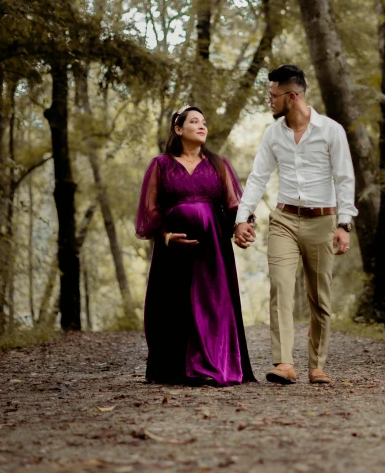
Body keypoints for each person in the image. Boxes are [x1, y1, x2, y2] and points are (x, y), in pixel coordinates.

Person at [234, 65, 358, 385]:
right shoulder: (272, 134)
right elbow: (258, 178)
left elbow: (345, 178)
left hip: (323, 221)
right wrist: (241, 219)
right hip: (284, 220)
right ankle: (284, 363)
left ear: (292, 97)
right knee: (281, 288)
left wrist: (344, 224)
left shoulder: (331, 131)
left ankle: (316, 366)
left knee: (320, 298)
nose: (269, 101)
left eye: (273, 96)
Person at [135, 106, 256, 386]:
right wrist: (166, 236)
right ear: (178, 129)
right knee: (174, 305)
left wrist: (242, 224)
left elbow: (234, 203)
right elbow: (150, 210)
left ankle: (212, 365)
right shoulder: (161, 164)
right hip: (173, 250)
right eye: (194, 121)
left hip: (212, 247)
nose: (202, 126)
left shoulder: (218, 164)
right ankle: (175, 368)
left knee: (212, 304)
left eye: (204, 121)